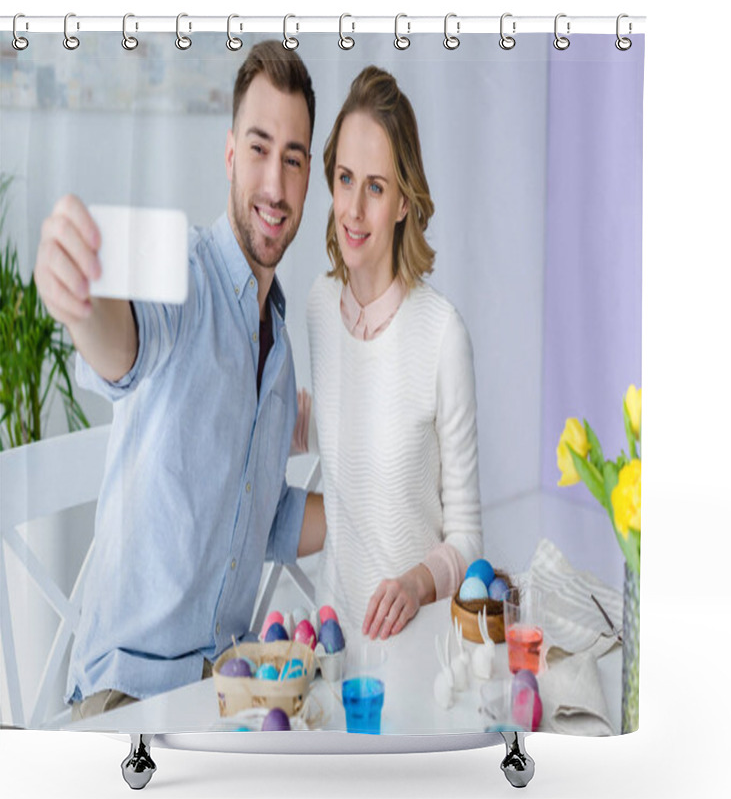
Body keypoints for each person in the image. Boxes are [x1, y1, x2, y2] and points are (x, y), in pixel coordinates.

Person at [33, 40, 326, 722]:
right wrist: (78, 300)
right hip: (124, 702)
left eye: (293, 158)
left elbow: (267, 520)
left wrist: (382, 509)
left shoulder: (279, 341)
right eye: (259, 149)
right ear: (229, 154)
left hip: (225, 699)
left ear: (310, 172)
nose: (276, 187)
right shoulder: (184, 280)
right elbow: (124, 349)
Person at [305, 66, 483, 640]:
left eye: (376, 187)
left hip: (419, 651)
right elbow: (336, 435)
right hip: (335, 649)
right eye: (345, 178)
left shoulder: (441, 334)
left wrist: (412, 584)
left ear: (404, 201)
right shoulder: (317, 308)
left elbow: (467, 541)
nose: (354, 210)